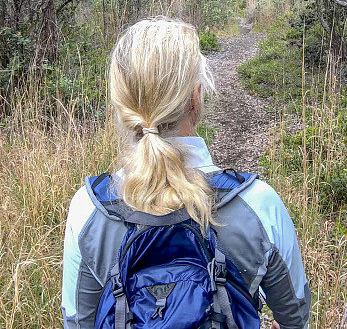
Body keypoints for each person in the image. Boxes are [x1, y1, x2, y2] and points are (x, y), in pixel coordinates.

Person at [61, 17, 310, 328]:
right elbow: (295, 318)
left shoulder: (89, 209)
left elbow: (77, 321)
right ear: (196, 96)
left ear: (122, 105)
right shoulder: (260, 205)